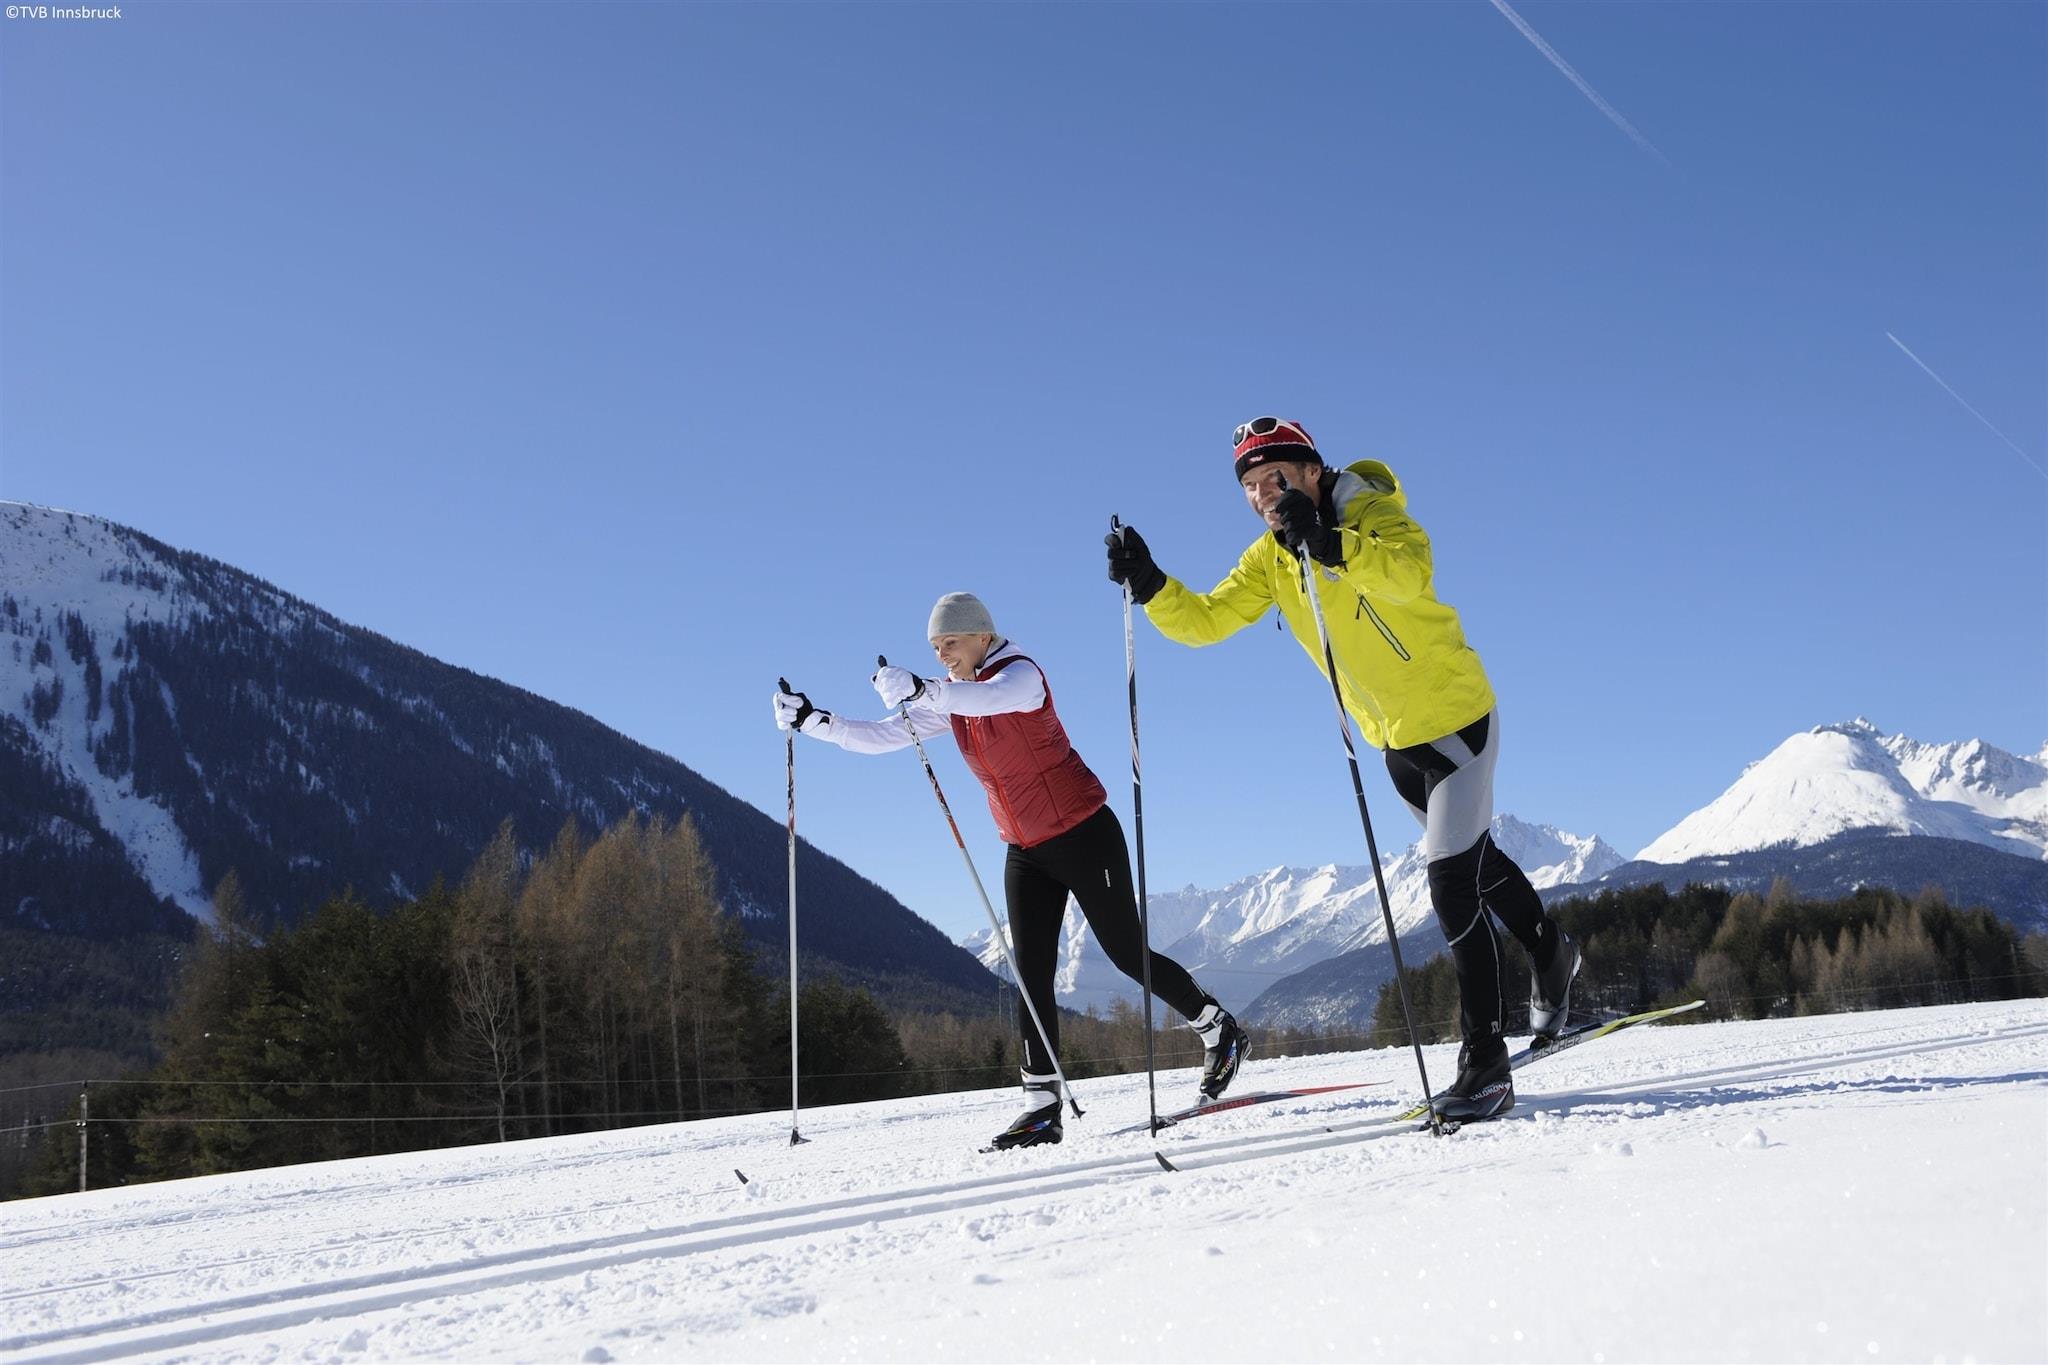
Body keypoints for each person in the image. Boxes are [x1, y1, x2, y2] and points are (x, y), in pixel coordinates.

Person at [1105, 417, 1581, 1123]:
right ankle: (1550, 950)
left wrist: (1332, 544)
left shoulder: (1369, 510)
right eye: (1249, 485)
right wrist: (1151, 585)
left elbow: (1412, 570)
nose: (1264, 494)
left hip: (1456, 721)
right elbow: (1207, 620)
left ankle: (1486, 1064)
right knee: (1476, 866)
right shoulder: (1270, 558)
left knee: (1451, 883)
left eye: (1275, 476)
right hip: (1395, 745)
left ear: (1312, 470)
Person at [772, 591, 1249, 1149]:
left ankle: (1218, 1028)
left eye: (951, 642)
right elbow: (885, 735)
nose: (942, 654)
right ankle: (1041, 1107)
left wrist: (926, 690)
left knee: (1126, 953)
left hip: (1085, 833)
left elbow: (992, 698)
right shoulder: (955, 694)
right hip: (1025, 850)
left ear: (983, 636)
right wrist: (815, 721)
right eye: (935, 647)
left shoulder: (1021, 675)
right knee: (1031, 973)